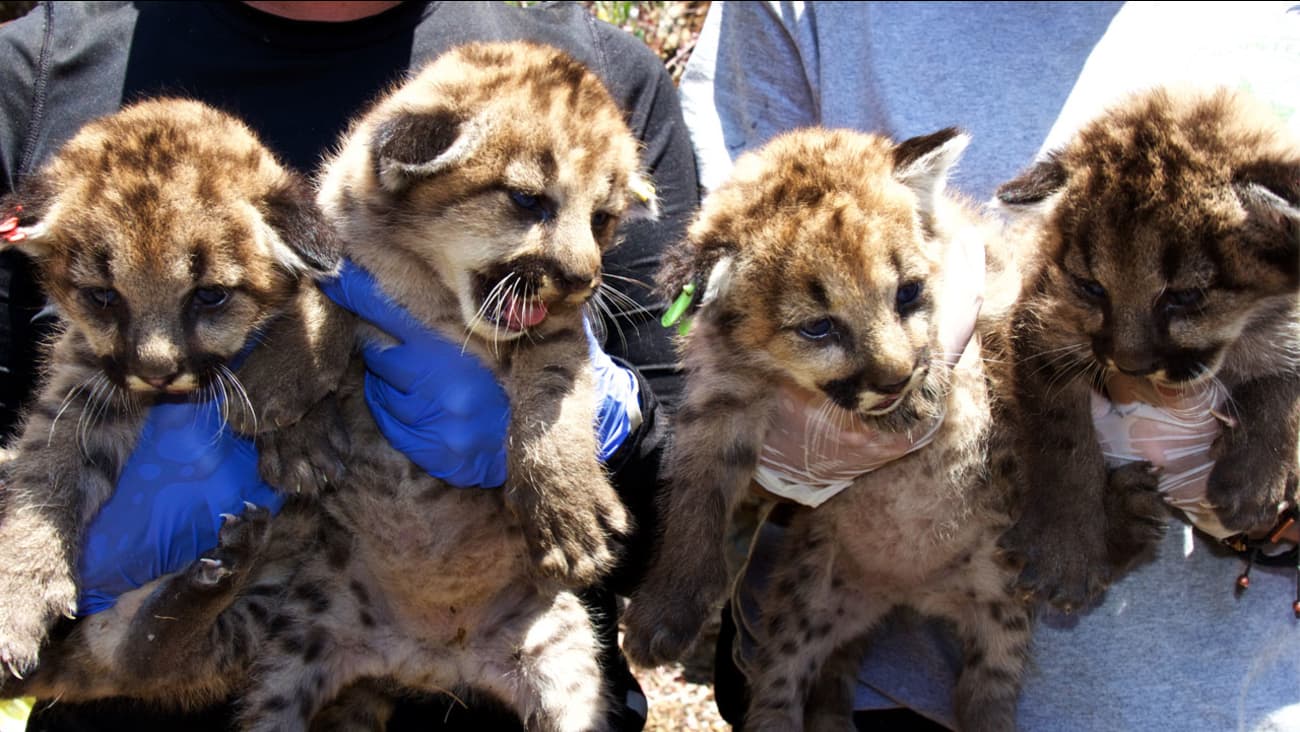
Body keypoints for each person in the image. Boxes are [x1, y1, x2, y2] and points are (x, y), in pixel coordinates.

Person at [0, 2, 700, 729]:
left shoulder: (608, 84)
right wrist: (46, 537)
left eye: (602, 224)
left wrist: (614, 426)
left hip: (510, 642)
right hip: (279, 636)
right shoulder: (35, 77)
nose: (583, 265)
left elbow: (695, 499)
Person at [678, 2, 1300, 730]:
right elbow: (716, 305)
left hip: (1218, 703)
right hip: (876, 685)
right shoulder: (802, 13)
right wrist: (787, 436)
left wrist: (1279, 505)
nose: (1129, 355)